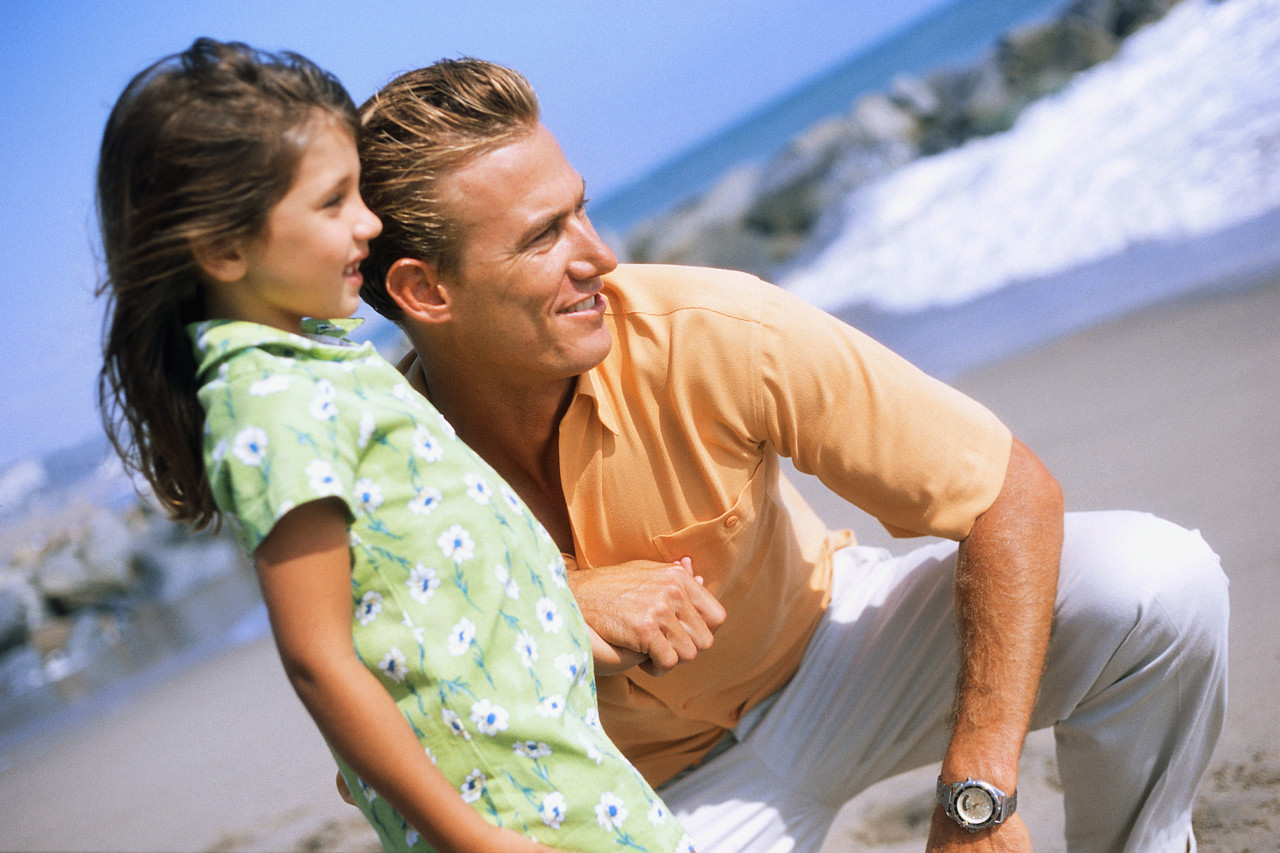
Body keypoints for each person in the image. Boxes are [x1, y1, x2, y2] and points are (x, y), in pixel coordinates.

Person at [353, 57, 1229, 853]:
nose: (600, 255)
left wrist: (979, 794)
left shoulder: (718, 329)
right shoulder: (377, 483)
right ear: (425, 290)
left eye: (580, 207)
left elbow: (1012, 494)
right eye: (544, 237)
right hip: (656, 798)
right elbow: (380, 747)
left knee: (1156, 583)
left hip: (838, 651)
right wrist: (549, 607)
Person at [95, 38, 695, 853]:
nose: (369, 224)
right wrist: (474, 840)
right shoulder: (272, 407)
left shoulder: (318, 361)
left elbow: (425, 592)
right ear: (226, 250)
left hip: (557, 770)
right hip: (514, 810)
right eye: (334, 202)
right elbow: (320, 661)